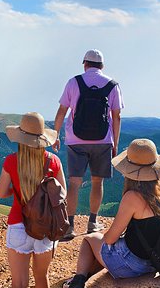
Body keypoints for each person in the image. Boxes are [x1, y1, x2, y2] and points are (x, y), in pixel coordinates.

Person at [62, 138, 160, 288]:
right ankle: (81, 278)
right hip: (156, 261)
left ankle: (78, 281)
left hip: (132, 265)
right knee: (103, 245)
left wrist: (104, 236)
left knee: (90, 239)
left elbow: (110, 240)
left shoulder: (133, 196)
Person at [0, 112, 67, 288]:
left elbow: (1, 193)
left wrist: (18, 193)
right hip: (45, 227)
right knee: (41, 275)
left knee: (19, 285)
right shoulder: (53, 161)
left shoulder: (11, 161)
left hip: (18, 225)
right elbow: (62, 193)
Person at [53, 49, 124, 240]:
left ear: (84, 64)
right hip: (102, 141)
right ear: (102, 66)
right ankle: (93, 222)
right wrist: (115, 143)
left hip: (76, 139)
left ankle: (70, 226)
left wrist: (56, 135)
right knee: (97, 181)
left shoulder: (73, 82)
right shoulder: (112, 85)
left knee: (74, 183)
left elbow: (62, 111)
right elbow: (116, 117)